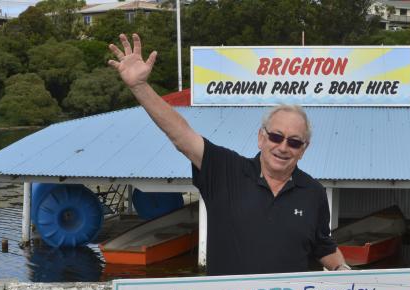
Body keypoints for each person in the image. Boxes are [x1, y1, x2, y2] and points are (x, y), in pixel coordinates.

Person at [108, 33, 350, 276]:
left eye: (294, 142)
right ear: (261, 137)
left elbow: (323, 247)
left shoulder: (313, 193)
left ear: (304, 149)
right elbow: (181, 136)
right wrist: (140, 87)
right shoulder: (226, 170)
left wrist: (343, 269)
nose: (283, 147)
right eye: (276, 136)